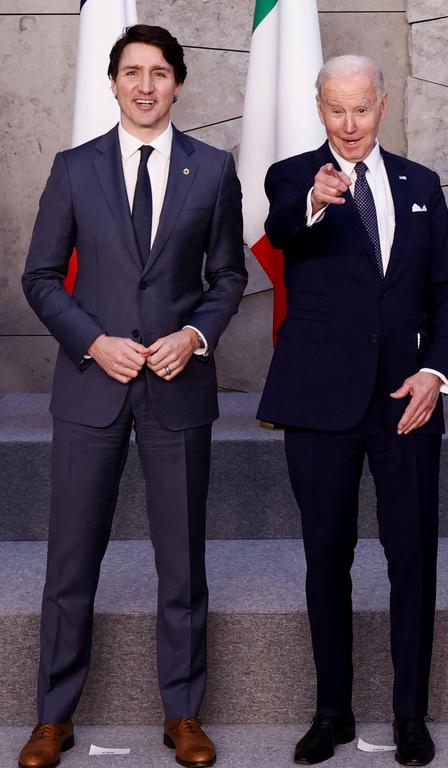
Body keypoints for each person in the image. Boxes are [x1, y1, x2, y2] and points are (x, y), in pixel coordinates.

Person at [19, 24, 247, 768]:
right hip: (92, 386)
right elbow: (41, 277)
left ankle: (183, 714)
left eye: (159, 73)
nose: (145, 85)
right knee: (70, 563)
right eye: (131, 72)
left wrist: (196, 336)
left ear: (178, 83)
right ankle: (53, 717)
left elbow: (228, 278)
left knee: (182, 564)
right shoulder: (74, 168)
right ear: (112, 83)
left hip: (178, 390)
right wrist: (92, 340)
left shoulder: (212, 169)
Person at [256, 55, 448, 767]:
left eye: (362, 109)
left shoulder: (419, 184)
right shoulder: (293, 176)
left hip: (407, 399)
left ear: (382, 104)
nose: (349, 125)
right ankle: (332, 712)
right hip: (319, 402)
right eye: (336, 110)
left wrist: (436, 372)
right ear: (321, 108)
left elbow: (447, 291)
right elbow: (284, 229)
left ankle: (410, 715)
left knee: (413, 557)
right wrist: (317, 200)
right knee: (326, 559)